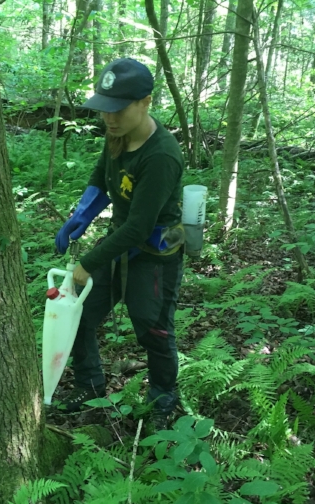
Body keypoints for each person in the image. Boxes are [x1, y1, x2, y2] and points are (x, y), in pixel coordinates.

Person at [54, 58, 185, 429]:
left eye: (118, 109)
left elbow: (141, 226)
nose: (109, 119)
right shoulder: (117, 133)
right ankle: (89, 384)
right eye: (104, 109)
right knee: (78, 314)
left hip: (155, 255)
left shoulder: (160, 154)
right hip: (120, 244)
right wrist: (80, 216)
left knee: (153, 330)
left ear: (145, 101)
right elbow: (103, 175)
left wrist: (88, 263)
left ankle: (162, 398)